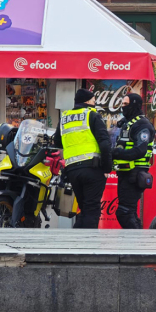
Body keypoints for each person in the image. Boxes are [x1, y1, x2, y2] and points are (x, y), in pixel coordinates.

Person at [54, 89, 112, 228]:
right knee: (92, 209)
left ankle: (77, 240)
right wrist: (107, 167)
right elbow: (105, 143)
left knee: (84, 208)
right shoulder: (92, 115)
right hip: (92, 168)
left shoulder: (64, 117)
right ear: (87, 101)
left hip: (73, 170)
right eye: (93, 101)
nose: (94, 103)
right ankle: (88, 245)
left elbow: (57, 142)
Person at [112, 93, 155, 229]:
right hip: (125, 174)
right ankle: (134, 243)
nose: (123, 107)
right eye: (122, 104)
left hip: (134, 174)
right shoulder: (130, 123)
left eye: (126, 104)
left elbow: (140, 150)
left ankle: (137, 244)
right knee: (128, 212)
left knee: (125, 213)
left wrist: (116, 153)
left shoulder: (142, 125)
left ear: (135, 105)